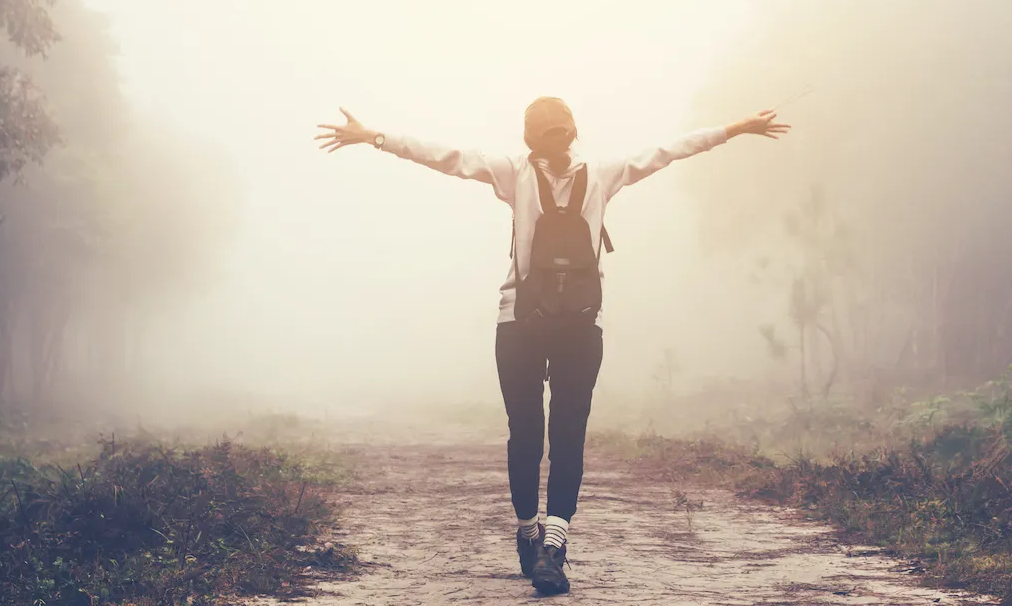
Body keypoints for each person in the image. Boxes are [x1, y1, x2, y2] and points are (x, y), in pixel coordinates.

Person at [315, 97, 789, 596]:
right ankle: (551, 544)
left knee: (525, 434)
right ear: (572, 132)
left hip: (519, 319)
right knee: (566, 433)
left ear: (528, 138)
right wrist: (733, 129)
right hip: (582, 325)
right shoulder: (604, 173)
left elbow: (444, 156)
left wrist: (375, 137)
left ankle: (535, 536)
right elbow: (669, 151)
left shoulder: (511, 172)